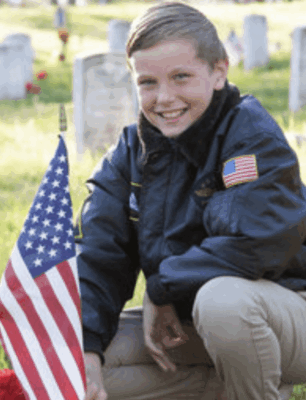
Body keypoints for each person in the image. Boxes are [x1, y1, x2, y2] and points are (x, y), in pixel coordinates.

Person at [74, 2, 306, 399]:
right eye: (148, 82)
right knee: (79, 366)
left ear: (219, 71)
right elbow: (97, 253)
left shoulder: (250, 137)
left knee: (222, 303)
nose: (164, 98)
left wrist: (160, 288)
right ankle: (230, 385)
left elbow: (252, 243)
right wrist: (86, 347)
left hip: (285, 314)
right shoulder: (129, 151)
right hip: (192, 326)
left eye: (181, 77)